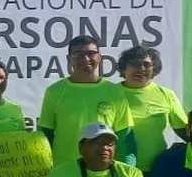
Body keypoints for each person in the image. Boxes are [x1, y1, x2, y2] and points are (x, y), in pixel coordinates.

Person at [38, 34, 136, 167]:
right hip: (65, 171)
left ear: (99, 57)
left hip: (104, 174)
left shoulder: (114, 91)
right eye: (78, 54)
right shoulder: (54, 91)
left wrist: (127, 171)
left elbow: (125, 138)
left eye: (91, 53)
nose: (85, 58)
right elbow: (45, 136)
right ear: (69, 59)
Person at [117, 45, 188, 173]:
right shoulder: (109, 93)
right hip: (118, 169)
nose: (141, 69)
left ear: (154, 69)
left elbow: (184, 131)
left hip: (157, 170)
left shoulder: (166, 94)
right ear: (124, 68)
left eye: (147, 64)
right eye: (135, 64)